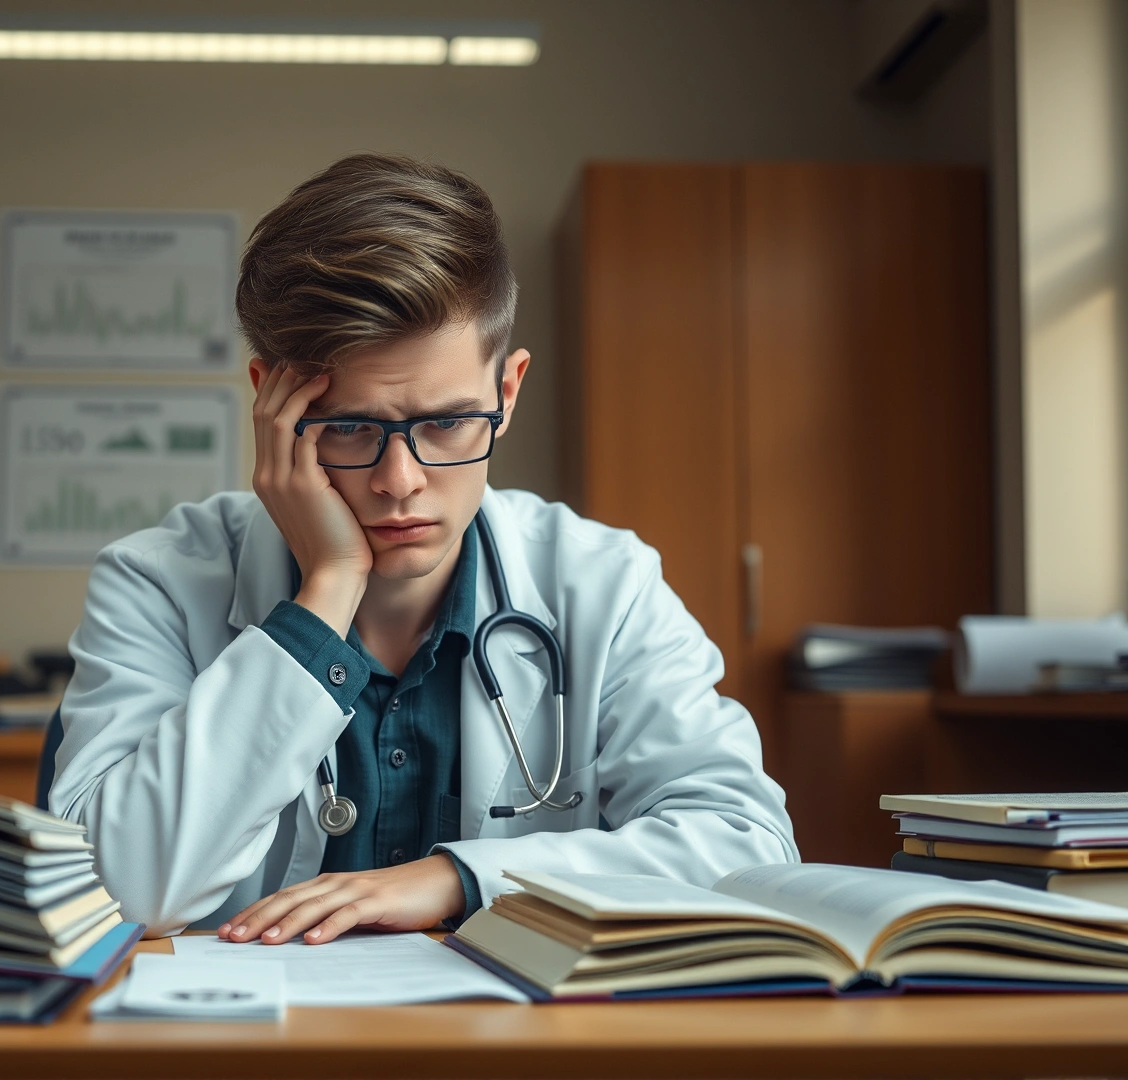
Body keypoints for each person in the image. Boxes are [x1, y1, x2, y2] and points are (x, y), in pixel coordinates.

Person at [48, 153, 795, 943]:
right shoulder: (157, 581)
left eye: (445, 423)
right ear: (272, 406)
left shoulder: (601, 584)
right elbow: (112, 891)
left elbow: (747, 845)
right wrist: (324, 594)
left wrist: (461, 879)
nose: (399, 480)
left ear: (506, 393)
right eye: (348, 428)